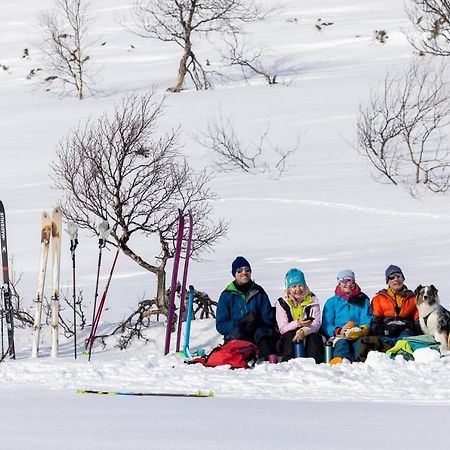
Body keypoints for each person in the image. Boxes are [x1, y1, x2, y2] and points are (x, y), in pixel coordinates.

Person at [216, 256, 275, 360]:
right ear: (234, 274)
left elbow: (268, 319)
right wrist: (238, 323)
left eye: (247, 270)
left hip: (258, 335)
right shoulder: (226, 296)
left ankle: (268, 363)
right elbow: (221, 326)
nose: (244, 273)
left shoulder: (259, 292)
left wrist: (258, 323)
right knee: (237, 333)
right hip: (237, 335)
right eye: (239, 270)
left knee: (263, 335)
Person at [321, 270, 372, 363]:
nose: (348, 284)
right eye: (344, 281)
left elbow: (367, 318)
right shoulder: (331, 302)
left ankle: (362, 365)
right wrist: (338, 330)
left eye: (351, 280)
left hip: (358, 333)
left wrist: (362, 329)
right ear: (339, 283)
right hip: (340, 335)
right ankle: (341, 363)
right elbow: (326, 324)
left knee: (361, 344)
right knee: (342, 343)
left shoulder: (363, 300)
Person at [275, 268, 324, 363]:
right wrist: (298, 323)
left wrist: (303, 331)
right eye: (293, 286)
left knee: (314, 337)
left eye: (300, 285)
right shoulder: (282, 303)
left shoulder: (312, 300)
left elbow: (316, 324)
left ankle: (316, 365)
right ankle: (287, 364)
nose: (298, 289)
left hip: (309, 332)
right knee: (289, 336)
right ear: (288, 288)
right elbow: (283, 328)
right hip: (288, 336)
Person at [371, 264, 421, 338]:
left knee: (405, 340)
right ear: (387, 282)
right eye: (392, 277)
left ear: (403, 279)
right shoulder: (378, 299)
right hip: (386, 331)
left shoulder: (413, 298)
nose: (396, 279)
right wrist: (381, 331)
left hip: (406, 330)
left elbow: (418, 320)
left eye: (399, 276)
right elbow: (376, 322)